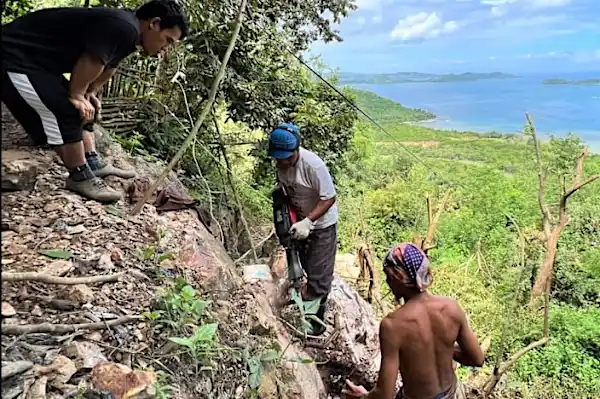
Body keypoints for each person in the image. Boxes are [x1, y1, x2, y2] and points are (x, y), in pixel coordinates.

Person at [1, 0, 189, 202]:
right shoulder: (124, 27)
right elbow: (92, 60)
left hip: (37, 63)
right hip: (13, 57)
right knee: (69, 110)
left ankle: (91, 161)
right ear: (154, 23)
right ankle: (79, 176)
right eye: (168, 41)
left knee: (85, 107)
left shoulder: (129, 30)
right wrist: (77, 95)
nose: (166, 49)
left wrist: (90, 92)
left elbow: (110, 64)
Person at [343, 243, 485, 399]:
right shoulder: (451, 308)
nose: (387, 282)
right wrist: (443, 347)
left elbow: (385, 394)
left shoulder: (392, 325)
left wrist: (364, 396)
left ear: (398, 277)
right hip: (454, 394)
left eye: (388, 276)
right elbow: (476, 358)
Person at [268, 122, 338, 335]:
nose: (283, 162)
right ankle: (302, 310)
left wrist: (308, 221)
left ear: (296, 150)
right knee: (302, 269)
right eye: (279, 158)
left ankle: (314, 325)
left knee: (319, 276)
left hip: (321, 226)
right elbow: (285, 194)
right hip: (298, 223)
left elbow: (329, 197)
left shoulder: (313, 166)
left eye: (287, 157)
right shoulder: (282, 166)